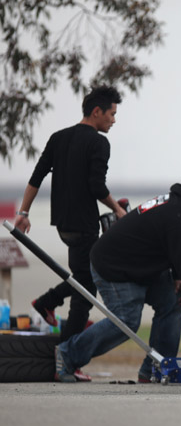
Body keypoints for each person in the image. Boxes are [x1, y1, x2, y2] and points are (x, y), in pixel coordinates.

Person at [53, 174, 181, 383]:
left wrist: (177, 279)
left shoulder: (180, 205)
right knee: (126, 321)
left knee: (173, 302)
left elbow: (170, 251)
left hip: (141, 264)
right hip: (114, 264)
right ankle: (67, 354)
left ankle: (155, 369)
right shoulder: (180, 218)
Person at [16, 85, 127, 348]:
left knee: (82, 279)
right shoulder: (99, 142)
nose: (114, 119)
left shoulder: (58, 137)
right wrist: (118, 209)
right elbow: (97, 187)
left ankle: (47, 305)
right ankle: (66, 355)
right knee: (85, 292)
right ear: (96, 111)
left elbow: (37, 177)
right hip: (84, 225)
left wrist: (23, 212)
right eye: (111, 113)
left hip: (63, 226)